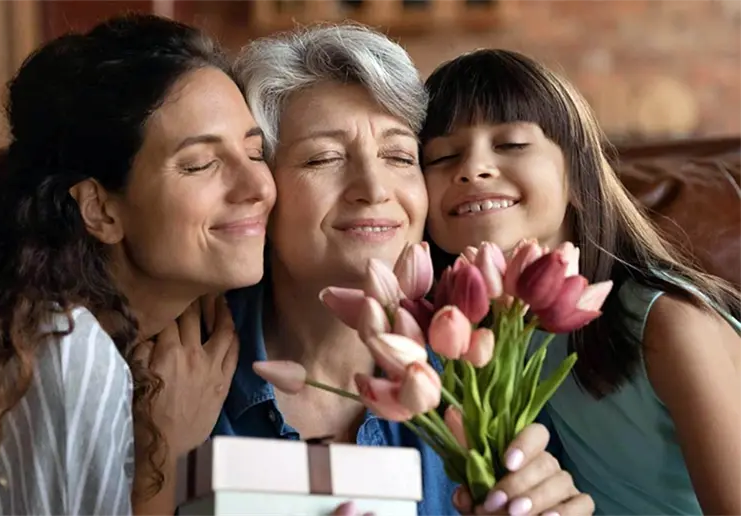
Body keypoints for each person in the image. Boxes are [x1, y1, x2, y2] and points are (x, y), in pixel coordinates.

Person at [214, 25, 593, 516]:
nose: (373, 188)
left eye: (399, 156)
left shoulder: (486, 377)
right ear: (261, 187)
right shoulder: (180, 373)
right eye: (324, 158)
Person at [0, 14, 275, 516]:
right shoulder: (64, 349)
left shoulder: (42, 326)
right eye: (200, 164)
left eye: (255, 152)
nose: (257, 187)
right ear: (100, 209)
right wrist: (164, 456)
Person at [420, 48, 741, 515]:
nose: (472, 168)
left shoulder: (668, 325)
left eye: (510, 144)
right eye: (443, 156)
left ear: (578, 177)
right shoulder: (479, 339)